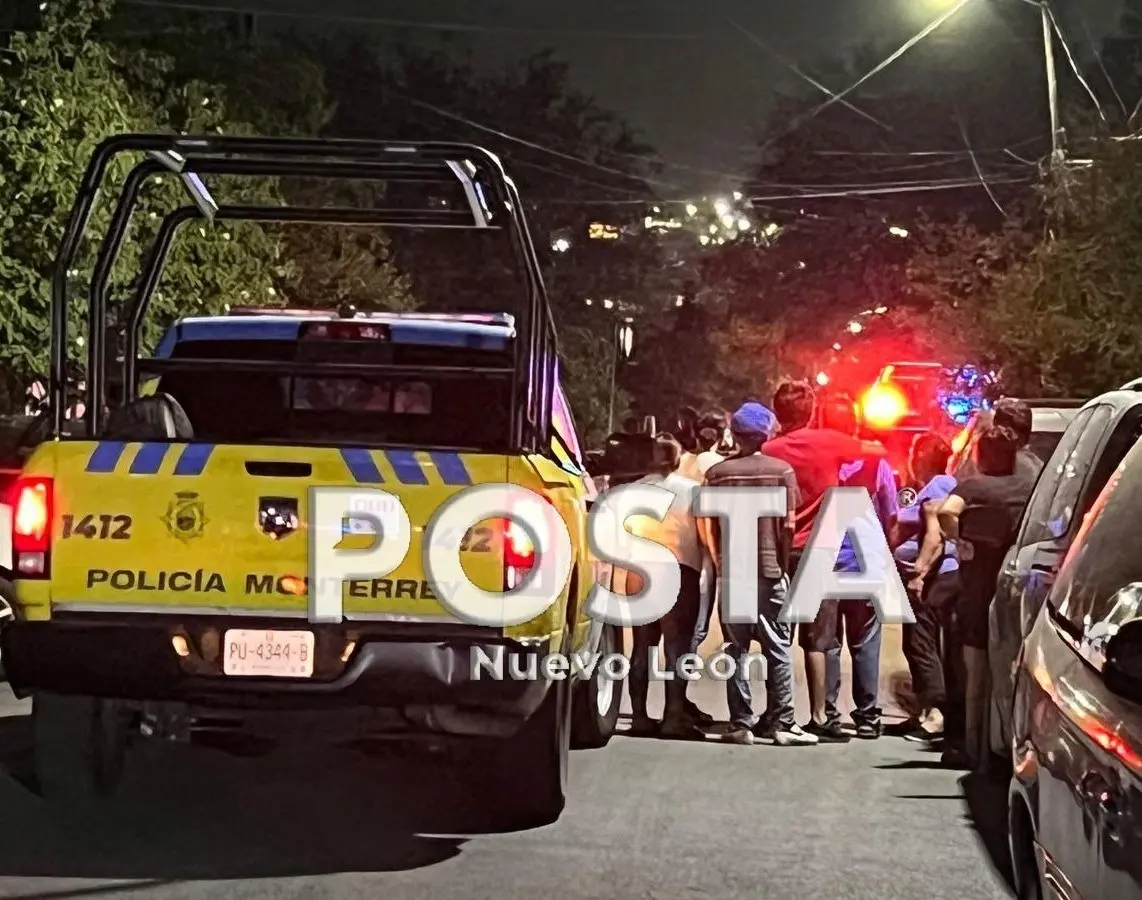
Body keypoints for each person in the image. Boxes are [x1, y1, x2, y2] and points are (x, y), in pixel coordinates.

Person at [700, 402, 818, 746]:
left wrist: (719, 560)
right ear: (767, 434)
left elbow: (708, 523)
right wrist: (780, 564)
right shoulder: (782, 472)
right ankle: (783, 723)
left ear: (734, 435)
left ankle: (741, 724)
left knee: (736, 649)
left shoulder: (718, 474)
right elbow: (788, 524)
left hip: (732, 570)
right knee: (777, 645)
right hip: (769, 570)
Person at [937, 424, 1036, 768]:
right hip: (1020, 588)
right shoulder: (1030, 488)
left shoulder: (973, 487)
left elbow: (946, 511)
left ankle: (973, 747)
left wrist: (959, 540)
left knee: (975, 674)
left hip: (978, 589)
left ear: (980, 455)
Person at [817, 391, 898, 741]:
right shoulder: (875, 462)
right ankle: (867, 716)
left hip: (825, 561)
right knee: (865, 641)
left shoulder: (818, 463)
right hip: (865, 562)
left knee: (829, 641)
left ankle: (829, 713)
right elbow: (890, 513)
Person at [624, 434, 707, 739]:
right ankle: (673, 716)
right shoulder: (693, 491)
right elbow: (704, 534)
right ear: (678, 459)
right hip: (678, 571)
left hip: (638, 572)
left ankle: (639, 717)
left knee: (642, 648)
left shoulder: (633, 491)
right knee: (677, 649)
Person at [894, 432, 957, 742]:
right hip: (927, 578)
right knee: (914, 642)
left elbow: (936, 537)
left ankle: (936, 716)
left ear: (922, 458)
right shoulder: (931, 487)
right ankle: (922, 711)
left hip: (932, 578)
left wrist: (919, 572)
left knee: (922, 644)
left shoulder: (939, 487)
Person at [677, 412, 727, 668]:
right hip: (703, 543)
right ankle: (688, 659)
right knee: (701, 606)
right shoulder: (717, 464)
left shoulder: (682, 461)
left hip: (676, 540)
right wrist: (715, 552)